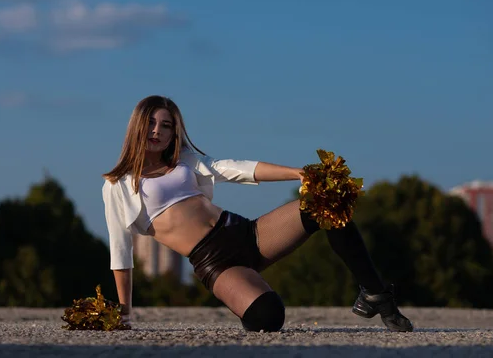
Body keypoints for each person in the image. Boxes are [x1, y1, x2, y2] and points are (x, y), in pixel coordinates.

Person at [102, 95, 413, 333]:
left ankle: (375, 293)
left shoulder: (185, 160)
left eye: (166, 125)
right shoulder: (119, 184)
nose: (157, 131)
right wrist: (125, 313)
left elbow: (233, 168)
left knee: (325, 205)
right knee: (268, 317)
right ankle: (247, 287)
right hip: (215, 262)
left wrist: (295, 172)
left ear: (174, 132)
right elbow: (121, 251)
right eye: (152, 124)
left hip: (246, 232)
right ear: (137, 127)